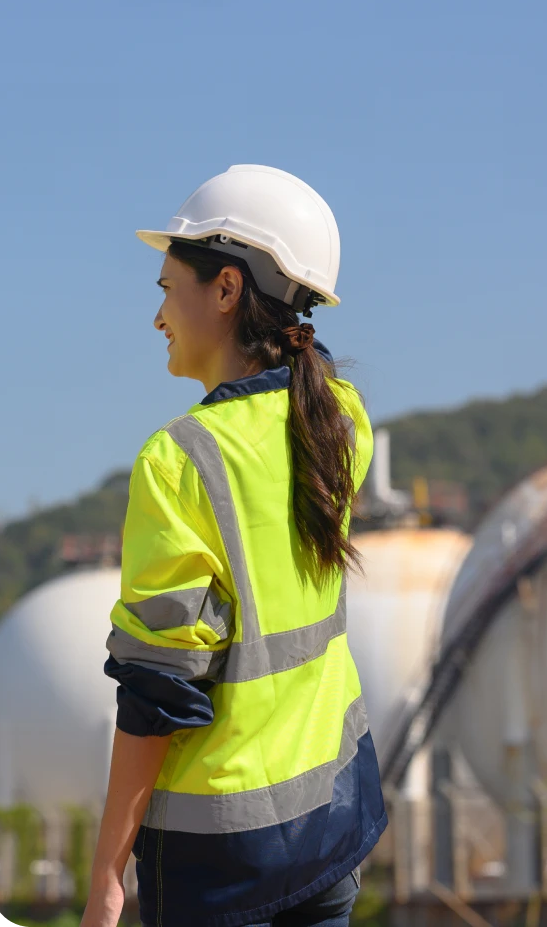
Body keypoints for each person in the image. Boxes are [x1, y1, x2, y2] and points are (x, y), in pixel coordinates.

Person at [81, 164, 387, 927]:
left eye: (164, 288)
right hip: (329, 827)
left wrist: (105, 879)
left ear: (225, 289)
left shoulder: (180, 461)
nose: (157, 315)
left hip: (216, 863)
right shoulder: (342, 421)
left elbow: (157, 693)